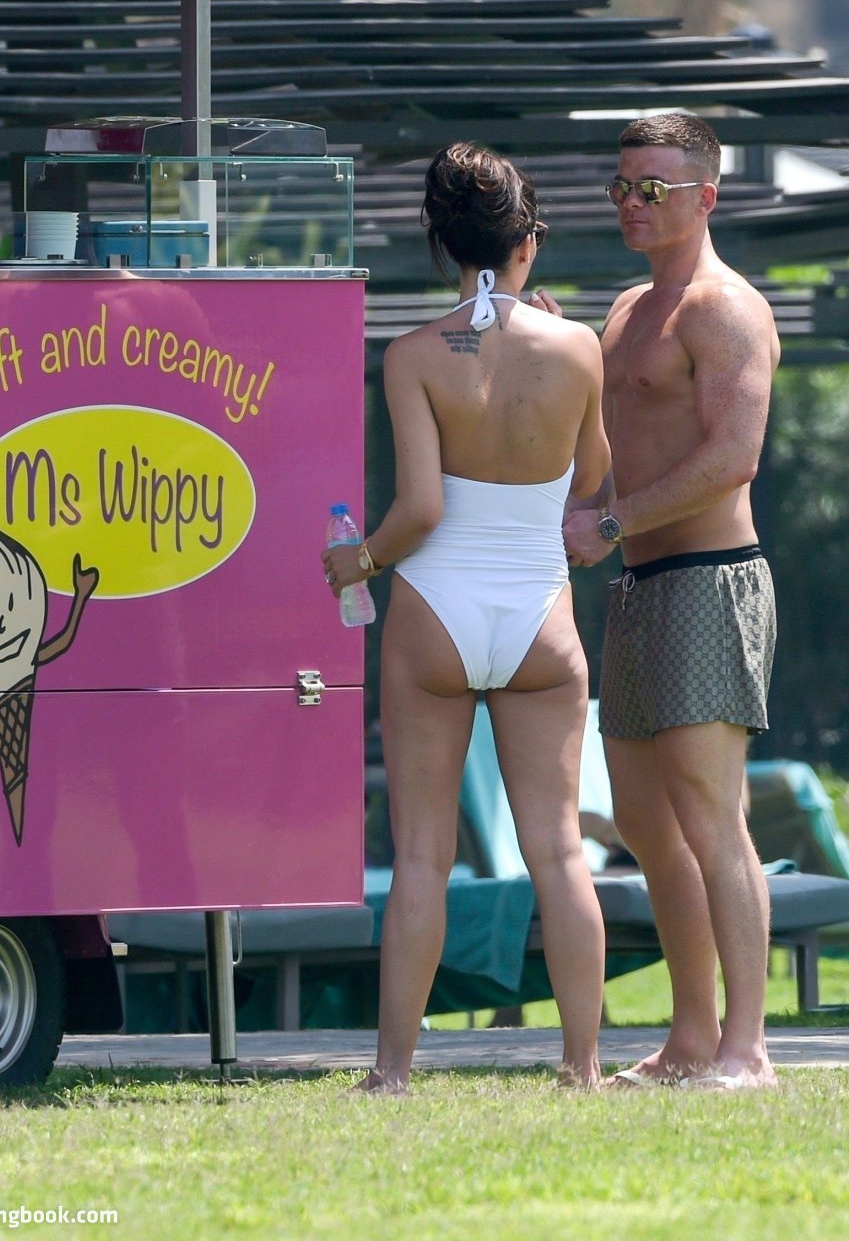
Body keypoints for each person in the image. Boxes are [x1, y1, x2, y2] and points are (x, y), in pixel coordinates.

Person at [322, 141, 611, 1092]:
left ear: (443, 246)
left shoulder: (412, 356)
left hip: (435, 612)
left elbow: (420, 513)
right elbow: (593, 477)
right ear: (527, 243)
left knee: (420, 857)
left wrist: (358, 562)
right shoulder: (579, 346)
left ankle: (392, 1073)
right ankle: (581, 1066)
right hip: (539, 614)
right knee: (558, 851)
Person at [534, 112, 780, 1090]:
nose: (630, 203)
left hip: (707, 580)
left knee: (711, 817)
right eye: (621, 186)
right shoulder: (627, 309)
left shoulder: (725, 310)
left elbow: (734, 456)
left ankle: (746, 1050)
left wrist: (609, 522)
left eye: (653, 188)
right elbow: (603, 440)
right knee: (644, 823)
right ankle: (689, 1038)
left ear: (705, 197)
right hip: (637, 581)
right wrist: (551, 344)